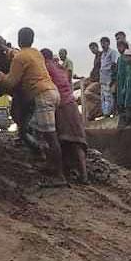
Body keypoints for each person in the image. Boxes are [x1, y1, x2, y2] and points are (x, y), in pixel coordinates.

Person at [0, 27, 66, 187]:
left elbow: (10, 82)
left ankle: (59, 176)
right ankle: (49, 164)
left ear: (19, 39)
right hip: (52, 92)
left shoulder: (20, 57)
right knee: (33, 129)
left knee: (50, 137)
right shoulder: (35, 53)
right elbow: (17, 54)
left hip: (42, 96)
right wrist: (4, 49)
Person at [42, 48, 88, 183]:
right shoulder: (59, 68)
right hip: (72, 104)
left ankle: (60, 170)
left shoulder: (46, 68)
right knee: (77, 140)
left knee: (60, 139)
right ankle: (83, 175)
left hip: (61, 107)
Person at [98, 36, 119, 117]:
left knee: (110, 97)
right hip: (103, 79)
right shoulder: (103, 54)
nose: (103, 45)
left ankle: (111, 113)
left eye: (104, 43)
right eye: (101, 43)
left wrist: (113, 79)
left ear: (108, 43)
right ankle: (106, 114)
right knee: (103, 97)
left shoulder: (112, 52)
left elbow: (114, 64)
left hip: (109, 78)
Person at [81, 42, 102, 121]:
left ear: (97, 47)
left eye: (93, 48)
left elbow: (101, 68)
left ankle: (101, 100)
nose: (92, 50)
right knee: (87, 98)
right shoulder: (96, 57)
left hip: (100, 80)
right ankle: (91, 114)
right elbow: (94, 70)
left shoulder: (101, 55)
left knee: (87, 93)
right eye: (91, 49)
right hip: (95, 80)